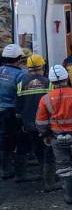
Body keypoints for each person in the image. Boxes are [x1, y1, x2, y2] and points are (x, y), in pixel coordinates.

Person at [36, 65, 72, 204]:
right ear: (66, 78)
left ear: (51, 82)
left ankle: (68, 195)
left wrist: (46, 135)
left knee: (63, 166)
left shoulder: (45, 99)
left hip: (57, 138)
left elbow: (40, 122)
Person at [14, 54, 48, 185]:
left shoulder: (21, 84)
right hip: (44, 124)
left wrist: (20, 121)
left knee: (25, 147)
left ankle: (21, 174)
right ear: (42, 66)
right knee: (45, 150)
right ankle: (46, 175)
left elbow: (18, 106)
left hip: (27, 124)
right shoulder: (48, 83)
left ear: (27, 68)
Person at [0, 44, 26, 180]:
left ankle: (5, 166)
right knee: (12, 139)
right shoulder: (20, 75)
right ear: (19, 58)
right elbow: (21, 97)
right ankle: (9, 169)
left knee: (3, 138)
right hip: (10, 111)